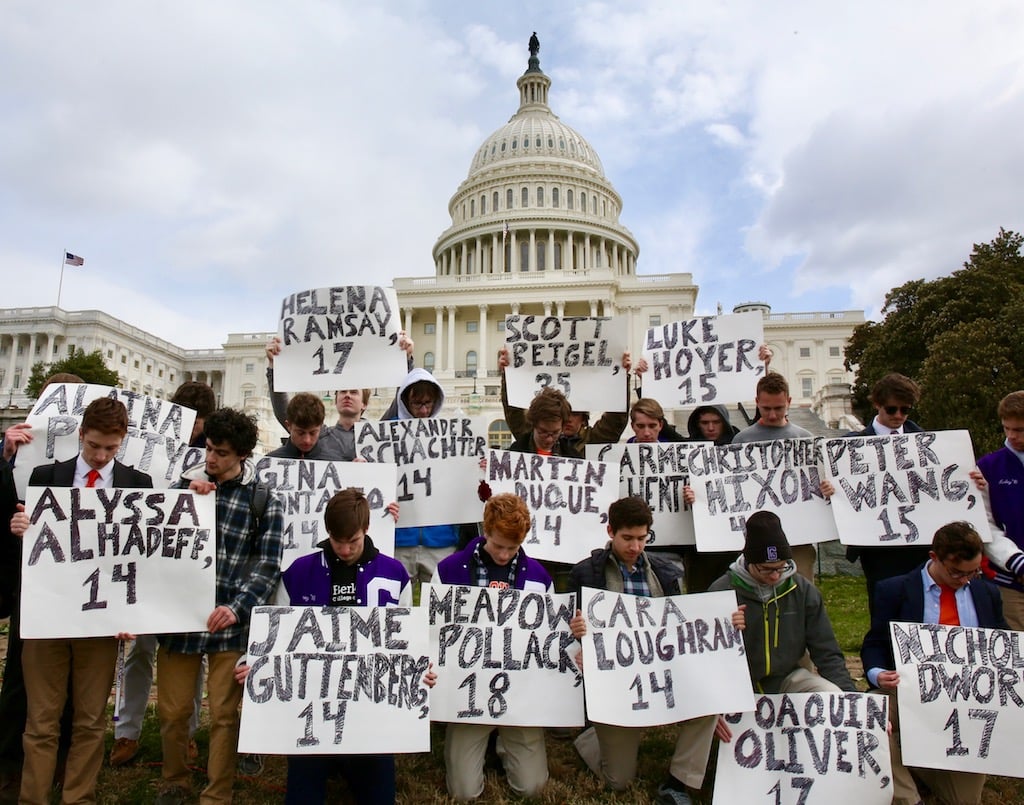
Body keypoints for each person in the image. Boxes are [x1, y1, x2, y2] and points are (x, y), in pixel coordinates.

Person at [243, 487, 432, 804]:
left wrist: (418, 670)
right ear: (327, 532)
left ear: (367, 530)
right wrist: (252, 664)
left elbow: (406, 643)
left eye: (353, 541)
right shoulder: (299, 572)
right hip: (312, 706)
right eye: (337, 540)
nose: (345, 549)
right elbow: (275, 635)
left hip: (371, 707)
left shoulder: (394, 573)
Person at [9, 398, 152, 805]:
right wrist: (20, 527)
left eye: (109, 448)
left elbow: (143, 558)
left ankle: (79, 798)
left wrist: (130, 613)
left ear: (122, 442)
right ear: (80, 435)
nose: (100, 455)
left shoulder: (137, 484)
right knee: (41, 721)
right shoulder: (44, 476)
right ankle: (32, 798)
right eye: (93, 446)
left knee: (90, 720)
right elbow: (31, 544)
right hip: (48, 616)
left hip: (100, 622)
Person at [155, 408, 284, 805]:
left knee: (225, 716)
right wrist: (186, 501)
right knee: (174, 712)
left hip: (229, 623)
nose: (211, 459)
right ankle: (174, 779)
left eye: (222, 453)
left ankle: (217, 792)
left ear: (242, 456)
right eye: (209, 449)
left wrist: (238, 607)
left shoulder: (264, 500)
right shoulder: (183, 490)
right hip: (181, 621)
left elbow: (267, 564)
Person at [568, 496, 719, 805]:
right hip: (614, 681)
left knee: (710, 703)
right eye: (627, 538)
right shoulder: (586, 573)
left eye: (642, 538)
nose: (635, 546)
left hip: (661, 671)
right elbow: (568, 626)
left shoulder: (664, 573)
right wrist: (579, 635)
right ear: (610, 531)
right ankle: (590, 739)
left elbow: (679, 623)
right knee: (618, 781)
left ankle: (680, 779)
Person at [861, 521, 1003, 805]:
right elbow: (875, 643)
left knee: (964, 800)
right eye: (956, 572)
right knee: (867, 715)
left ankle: (916, 759)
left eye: (972, 572)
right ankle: (908, 798)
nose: (965, 580)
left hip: (969, 701)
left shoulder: (987, 593)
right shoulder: (895, 590)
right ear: (933, 557)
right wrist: (878, 675)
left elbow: (1000, 643)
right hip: (910, 693)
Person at [111, 380, 215, 768]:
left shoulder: (209, 456)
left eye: (199, 424)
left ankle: (186, 732)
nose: (193, 431)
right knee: (139, 649)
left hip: (185, 562)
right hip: (143, 556)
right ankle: (126, 731)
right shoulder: (144, 446)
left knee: (192, 655)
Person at [433, 493, 552, 800]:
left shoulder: (539, 577)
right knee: (463, 793)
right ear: (485, 530)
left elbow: (548, 638)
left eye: (512, 548)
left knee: (532, 787)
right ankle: (478, 740)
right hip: (468, 691)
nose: (503, 554)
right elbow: (435, 631)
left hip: (518, 691)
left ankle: (503, 742)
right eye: (498, 545)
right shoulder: (449, 570)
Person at [708, 510, 856, 694]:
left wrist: (853, 700)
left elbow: (827, 652)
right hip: (736, 684)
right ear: (749, 561)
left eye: (781, 567)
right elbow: (707, 659)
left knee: (828, 692)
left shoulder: (803, 591)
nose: (776, 575)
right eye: (767, 569)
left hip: (788, 679)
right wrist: (725, 628)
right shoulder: (722, 591)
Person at [843, 373, 932, 612]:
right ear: (877, 404)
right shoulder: (850, 445)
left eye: (906, 410)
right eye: (892, 409)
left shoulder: (926, 441)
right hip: (877, 547)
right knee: (883, 610)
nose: (899, 416)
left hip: (919, 543)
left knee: (920, 608)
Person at [386, 367, 477, 584]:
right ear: (405, 402)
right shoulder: (386, 435)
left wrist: (477, 465)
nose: (424, 410)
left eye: (429, 403)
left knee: (439, 607)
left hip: (441, 539)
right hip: (399, 538)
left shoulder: (449, 436)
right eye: (418, 404)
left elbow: (463, 478)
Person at [732, 372, 817, 581]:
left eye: (778, 408)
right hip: (755, 534)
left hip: (799, 536)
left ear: (789, 402)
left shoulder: (805, 438)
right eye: (766, 408)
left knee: (801, 589)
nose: (772, 415)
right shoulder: (741, 439)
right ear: (757, 402)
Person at [497, 347, 632, 458]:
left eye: (575, 413)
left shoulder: (589, 444)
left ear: (584, 419)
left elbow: (615, 421)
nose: (549, 439)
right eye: (544, 432)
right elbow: (513, 411)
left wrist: (621, 378)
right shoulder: (522, 445)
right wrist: (508, 374)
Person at [265, 335, 373, 462]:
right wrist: (275, 367)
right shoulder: (320, 434)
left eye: (354, 392)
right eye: (343, 391)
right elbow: (284, 410)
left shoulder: (377, 437)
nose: (347, 395)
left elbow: (399, 406)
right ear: (335, 399)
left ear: (364, 403)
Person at [973, 390, 1024, 630]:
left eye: (1020, 430)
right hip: (1011, 581)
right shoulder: (988, 466)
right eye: (1007, 428)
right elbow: (985, 524)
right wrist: (1014, 560)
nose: (1012, 436)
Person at [268, 392, 327, 459]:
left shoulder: (335, 462)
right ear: (288, 426)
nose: (307, 440)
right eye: (300, 433)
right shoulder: (270, 462)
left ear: (321, 426)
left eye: (312, 433)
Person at [170, 380, 217, 447]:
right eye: (181, 421)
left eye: (193, 423)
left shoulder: (213, 446)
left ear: (207, 420)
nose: (186, 428)